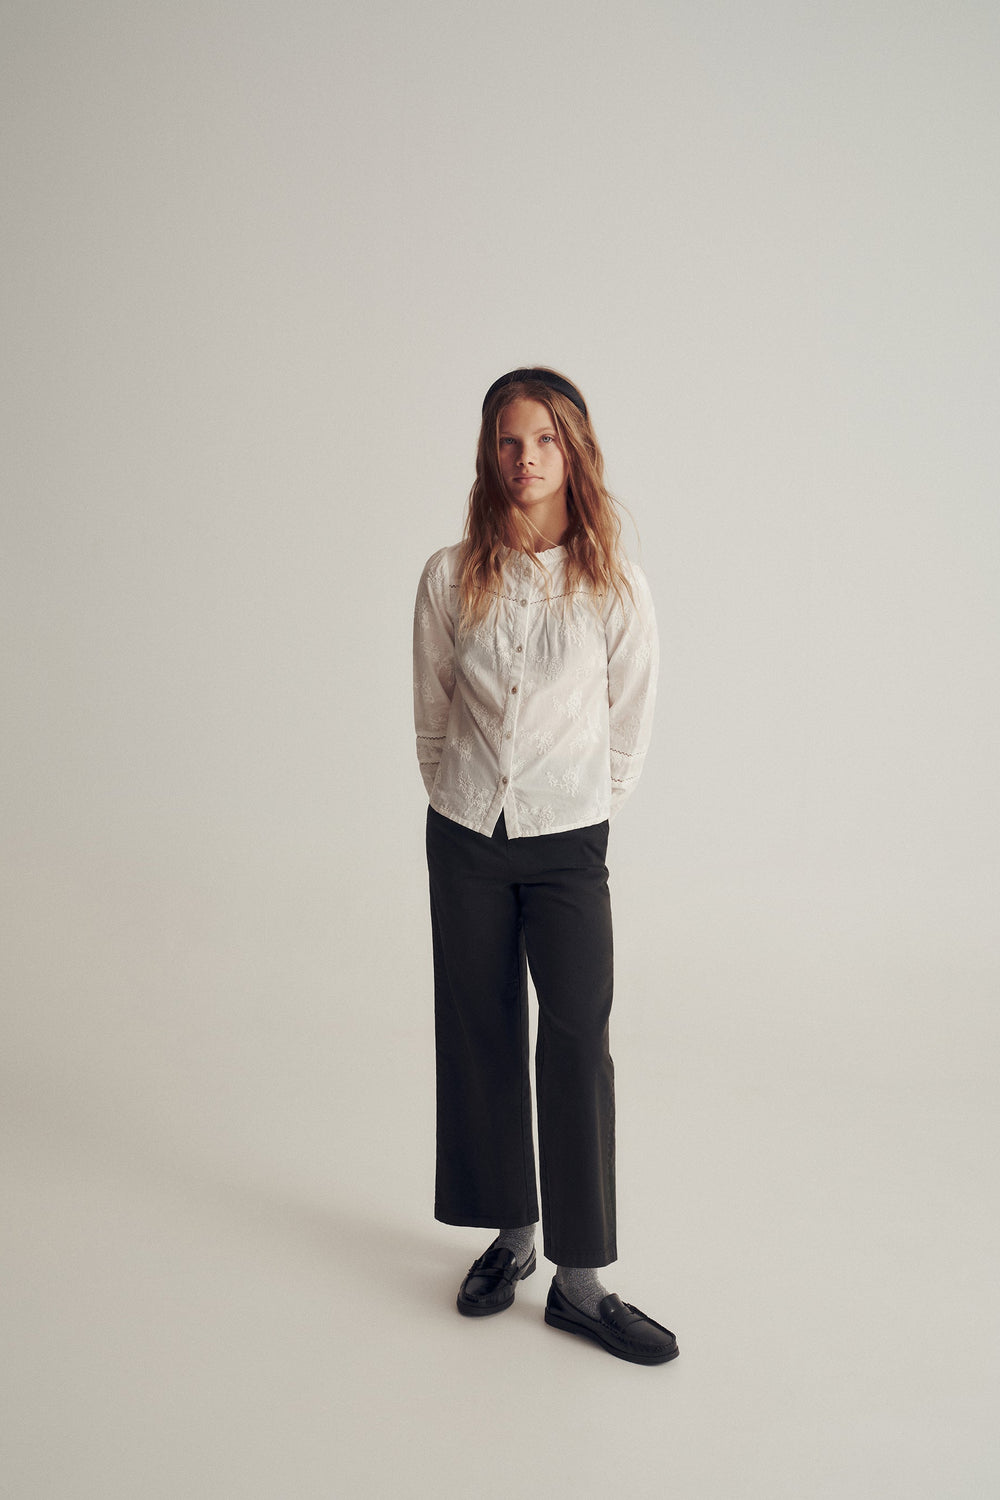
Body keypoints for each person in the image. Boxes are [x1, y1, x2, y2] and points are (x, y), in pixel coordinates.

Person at [412, 367, 678, 1365]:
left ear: (574, 451)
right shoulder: (450, 576)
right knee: (480, 1029)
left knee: (576, 1038)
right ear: (489, 453)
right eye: (508, 441)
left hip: (569, 842)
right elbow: (433, 714)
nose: (525, 460)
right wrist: (467, 800)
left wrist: (574, 809)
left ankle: (581, 1281)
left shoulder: (613, 584)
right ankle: (512, 1234)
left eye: (544, 441)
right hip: (465, 834)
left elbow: (629, 727)